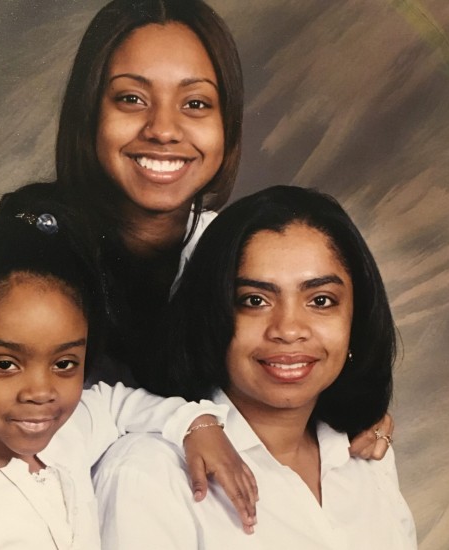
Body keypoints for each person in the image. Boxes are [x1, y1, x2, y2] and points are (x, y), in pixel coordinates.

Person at [0, 0, 392, 459]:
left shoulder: (231, 250)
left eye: (196, 103)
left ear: (227, 123)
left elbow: (283, 379)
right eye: (131, 99)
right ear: (89, 113)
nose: (164, 129)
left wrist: (353, 410)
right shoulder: (27, 251)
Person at [0, 205, 259, 549]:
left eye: (65, 363)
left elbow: (114, 403)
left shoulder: (66, 437)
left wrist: (196, 424)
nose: (41, 391)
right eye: (5, 364)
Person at [93, 185, 417, 549]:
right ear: (211, 314)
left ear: (356, 320)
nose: (289, 329)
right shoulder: (151, 472)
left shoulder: (368, 457)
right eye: (255, 300)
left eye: (321, 300)